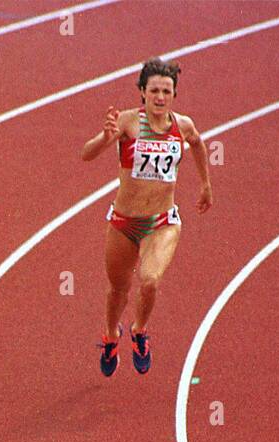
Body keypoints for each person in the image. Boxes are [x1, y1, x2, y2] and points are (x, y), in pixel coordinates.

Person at [80, 57, 212, 376]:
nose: (160, 97)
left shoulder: (184, 126)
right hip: (124, 222)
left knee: (150, 280)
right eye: (154, 90)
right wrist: (104, 136)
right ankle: (112, 336)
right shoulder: (127, 122)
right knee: (117, 290)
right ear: (142, 92)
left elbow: (197, 144)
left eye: (166, 91)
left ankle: (140, 331)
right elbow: (87, 154)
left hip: (162, 222)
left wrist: (205, 183)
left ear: (174, 95)